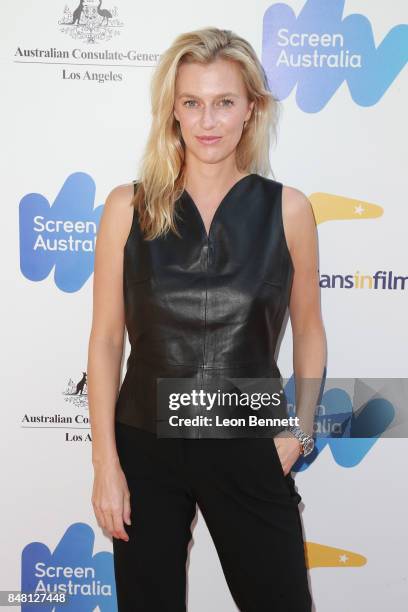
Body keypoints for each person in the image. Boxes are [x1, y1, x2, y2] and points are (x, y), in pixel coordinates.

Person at [87, 27, 326, 612]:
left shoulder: (288, 209)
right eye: (192, 102)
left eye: (224, 101)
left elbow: (311, 330)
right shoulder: (128, 206)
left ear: (251, 108)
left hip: (250, 437)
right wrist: (105, 465)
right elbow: (103, 343)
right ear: (173, 110)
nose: (207, 120)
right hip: (145, 443)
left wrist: (298, 433)